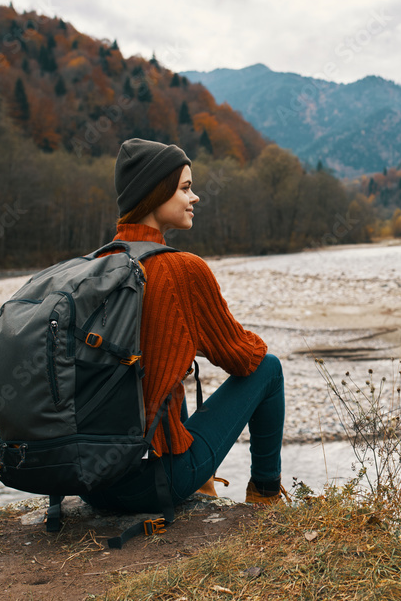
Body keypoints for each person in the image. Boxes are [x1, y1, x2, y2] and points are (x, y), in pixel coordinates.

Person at [80, 138, 286, 512]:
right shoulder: (182, 269)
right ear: (155, 193)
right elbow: (245, 360)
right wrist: (210, 333)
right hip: (155, 484)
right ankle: (266, 495)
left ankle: (204, 488)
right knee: (270, 369)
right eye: (186, 188)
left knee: (167, 374)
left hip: (89, 483)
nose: (195, 198)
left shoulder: (92, 267)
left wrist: (184, 339)